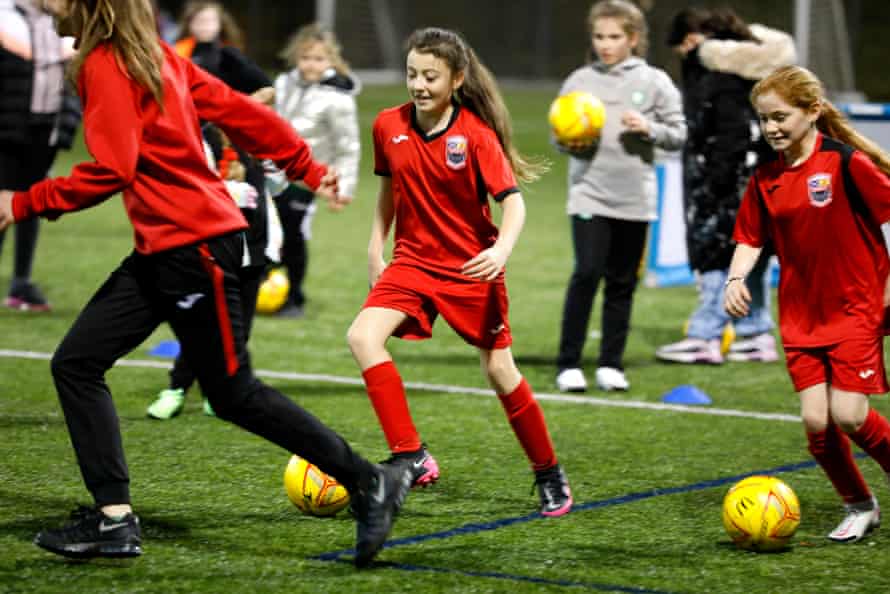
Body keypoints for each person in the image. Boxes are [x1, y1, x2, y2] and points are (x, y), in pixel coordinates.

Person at [0, 0, 410, 567]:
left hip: (193, 248)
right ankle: (114, 520)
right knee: (77, 362)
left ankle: (369, 480)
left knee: (233, 393)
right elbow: (242, 112)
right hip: (164, 248)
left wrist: (23, 201)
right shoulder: (153, 56)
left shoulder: (110, 63)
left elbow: (113, 168)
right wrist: (306, 168)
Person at [346, 27, 572, 517]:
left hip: (471, 268)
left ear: (457, 79)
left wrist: (501, 250)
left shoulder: (475, 135)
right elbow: (388, 190)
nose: (418, 85)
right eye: (412, 74)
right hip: (412, 262)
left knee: (499, 370)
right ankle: (411, 455)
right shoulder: (387, 125)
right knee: (363, 337)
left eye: (431, 76)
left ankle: (548, 471)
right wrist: (374, 247)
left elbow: (513, 204)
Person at [725, 65, 890, 543]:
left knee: (850, 415)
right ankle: (859, 506)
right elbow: (750, 237)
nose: (771, 127)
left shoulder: (844, 163)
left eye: (780, 116)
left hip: (855, 307)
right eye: (764, 119)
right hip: (800, 315)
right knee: (817, 425)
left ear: (812, 110)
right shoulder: (765, 177)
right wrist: (735, 278)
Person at [146, 3, 278, 420]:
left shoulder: (251, 137)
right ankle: (176, 387)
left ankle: (221, 392)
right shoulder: (197, 141)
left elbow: (276, 182)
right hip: (211, 247)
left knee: (239, 325)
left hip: (252, 247)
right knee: (202, 320)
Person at [554, 0, 686, 393]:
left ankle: (611, 364)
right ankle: (568, 363)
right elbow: (557, 139)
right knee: (587, 272)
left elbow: (679, 134)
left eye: (614, 37)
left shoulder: (655, 81)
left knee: (622, 282)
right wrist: (571, 141)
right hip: (589, 194)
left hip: (635, 198)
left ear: (633, 38)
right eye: (599, 36)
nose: (605, 45)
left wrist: (648, 128)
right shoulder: (579, 81)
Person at [656, 7, 795, 365]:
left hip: (729, 184)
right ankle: (756, 334)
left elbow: (729, 136)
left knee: (719, 255)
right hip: (767, 179)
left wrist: (715, 185)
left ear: (691, 40)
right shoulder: (761, 72)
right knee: (754, 258)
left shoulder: (719, 79)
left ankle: (705, 336)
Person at [272, 22, 361, 318]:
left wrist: (342, 188)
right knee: (267, 232)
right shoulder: (283, 83)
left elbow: (348, 146)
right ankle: (266, 285)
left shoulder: (337, 98)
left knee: (293, 234)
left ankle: (294, 298)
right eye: (305, 57)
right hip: (273, 173)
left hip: (308, 179)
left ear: (331, 61)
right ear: (295, 57)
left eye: (319, 58)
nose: (311, 64)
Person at [0, 0, 81, 311]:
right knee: (3, 200)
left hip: (46, 128)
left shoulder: (63, 20)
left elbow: (72, 77)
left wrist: (68, 121)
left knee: (32, 201)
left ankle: (21, 283)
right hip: (8, 127)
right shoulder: (5, 17)